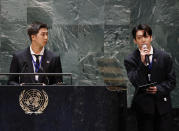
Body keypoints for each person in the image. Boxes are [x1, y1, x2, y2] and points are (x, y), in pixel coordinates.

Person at [124, 24, 176, 131]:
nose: (143, 40)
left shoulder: (164, 57)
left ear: (151, 38)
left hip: (163, 107)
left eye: (146, 36)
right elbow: (135, 81)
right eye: (139, 38)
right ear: (135, 40)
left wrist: (158, 89)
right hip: (143, 109)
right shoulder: (130, 59)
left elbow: (172, 81)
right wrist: (143, 63)